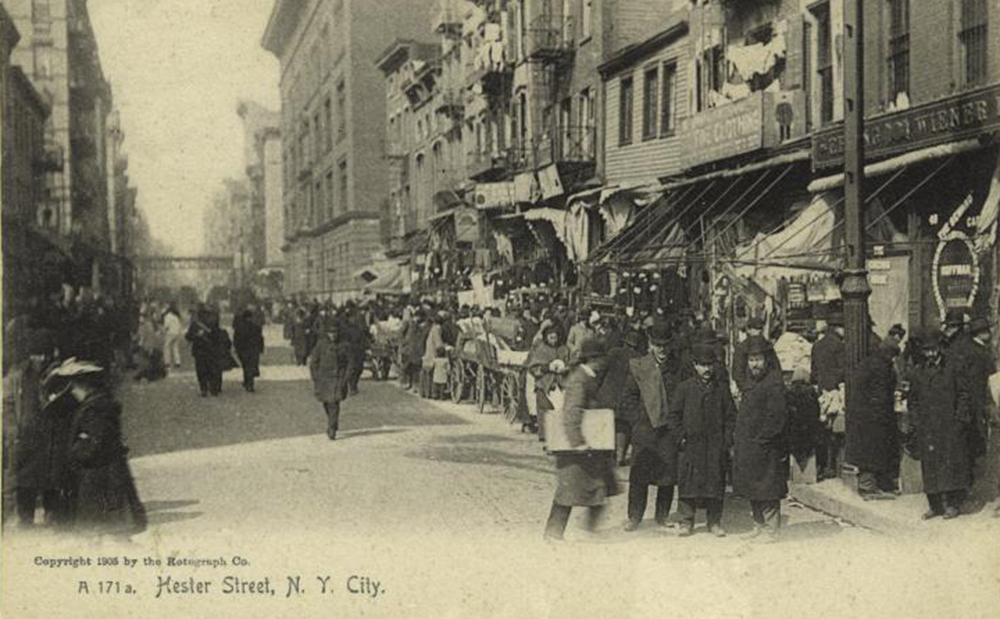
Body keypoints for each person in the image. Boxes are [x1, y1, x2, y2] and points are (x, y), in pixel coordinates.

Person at [41, 358, 147, 536]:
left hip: (101, 480)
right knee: (109, 533)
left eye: (73, 387)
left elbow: (92, 445)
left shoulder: (95, 409)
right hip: (105, 477)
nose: (73, 392)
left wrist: (74, 451)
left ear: (82, 385)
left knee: (105, 533)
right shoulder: (97, 404)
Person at [543, 338, 619, 541]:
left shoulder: (589, 376)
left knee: (598, 488)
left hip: (591, 445)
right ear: (594, 360)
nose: (604, 363)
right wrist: (578, 442)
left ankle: (588, 529)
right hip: (576, 449)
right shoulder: (580, 379)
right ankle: (553, 533)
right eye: (601, 359)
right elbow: (571, 413)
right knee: (569, 492)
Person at [667, 343, 736, 537]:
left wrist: (726, 440)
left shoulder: (721, 390)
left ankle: (714, 522)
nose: (707, 369)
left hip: (715, 446)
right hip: (690, 445)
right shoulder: (685, 388)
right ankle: (686, 521)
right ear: (695, 366)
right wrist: (680, 438)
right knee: (688, 484)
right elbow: (673, 417)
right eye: (702, 365)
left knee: (715, 484)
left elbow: (731, 417)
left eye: (710, 365)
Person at [618, 322, 680, 531]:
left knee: (668, 476)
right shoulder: (640, 366)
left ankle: (662, 516)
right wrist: (638, 419)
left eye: (666, 345)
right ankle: (634, 517)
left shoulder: (678, 367)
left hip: (669, 430)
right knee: (639, 475)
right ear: (651, 345)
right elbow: (628, 398)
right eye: (657, 345)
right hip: (644, 429)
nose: (662, 349)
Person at [908, 328, 971, 520]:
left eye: (933, 350)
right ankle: (934, 505)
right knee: (931, 465)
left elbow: (963, 395)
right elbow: (913, 400)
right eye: (927, 351)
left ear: (940, 349)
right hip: (928, 426)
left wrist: (960, 419)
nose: (930, 354)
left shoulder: (953, 367)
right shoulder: (918, 372)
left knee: (951, 464)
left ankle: (953, 504)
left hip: (949, 424)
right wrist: (917, 421)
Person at [733, 336, 789, 542]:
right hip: (748, 443)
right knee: (751, 486)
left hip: (766, 446)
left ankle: (772, 530)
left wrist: (764, 438)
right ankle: (758, 524)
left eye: (758, 360)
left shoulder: (774, 384)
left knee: (768, 488)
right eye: (751, 360)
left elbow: (778, 417)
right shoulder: (748, 382)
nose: (754, 364)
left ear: (767, 360)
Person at [847, 340, 901, 500]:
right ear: (890, 355)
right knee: (873, 451)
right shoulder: (882, 368)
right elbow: (882, 395)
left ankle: (874, 484)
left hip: (862, 415)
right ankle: (868, 487)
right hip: (874, 417)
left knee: (870, 451)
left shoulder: (868, 362)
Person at [598, 326, 648, 465]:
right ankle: (620, 456)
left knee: (608, 425)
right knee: (623, 426)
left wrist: (595, 389)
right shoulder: (640, 358)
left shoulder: (613, 352)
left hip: (609, 395)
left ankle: (608, 455)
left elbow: (601, 371)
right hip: (628, 398)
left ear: (624, 342)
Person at [955, 318, 995, 471]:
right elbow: (991, 378)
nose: (990, 334)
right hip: (978, 398)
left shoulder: (970, 349)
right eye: (987, 331)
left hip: (973, 398)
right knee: (978, 434)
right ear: (981, 333)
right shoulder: (981, 352)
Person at [811, 313, 847, 479]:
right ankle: (833, 465)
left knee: (822, 429)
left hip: (821, 391)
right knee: (836, 430)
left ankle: (822, 464)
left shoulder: (817, 345)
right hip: (835, 392)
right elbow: (843, 369)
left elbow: (814, 372)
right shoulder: (839, 345)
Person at [524, 323, 570, 439]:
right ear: (546, 337)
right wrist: (547, 368)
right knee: (544, 410)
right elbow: (533, 367)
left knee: (560, 410)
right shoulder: (541, 350)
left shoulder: (564, 349)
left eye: (555, 338)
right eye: (551, 338)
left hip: (560, 383)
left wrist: (565, 369)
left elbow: (570, 363)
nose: (553, 341)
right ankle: (544, 435)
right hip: (544, 384)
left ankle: (558, 435)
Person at [309, 320, 348, 440]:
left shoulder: (344, 345)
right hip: (324, 379)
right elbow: (314, 362)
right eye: (331, 333)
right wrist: (316, 377)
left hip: (338, 378)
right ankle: (333, 422)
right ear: (327, 334)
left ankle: (331, 428)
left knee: (334, 403)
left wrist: (345, 378)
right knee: (326, 403)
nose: (333, 335)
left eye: (335, 332)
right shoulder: (321, 344)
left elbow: (349, 363)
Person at [185, 305, 230, 397]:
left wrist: (197, 336)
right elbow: (218, 337)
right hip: (212, 350)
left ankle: (204, 389)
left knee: (201, 370)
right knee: (212, 369)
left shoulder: (195, 324)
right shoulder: (214, 323)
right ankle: (213, 389)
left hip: (199, 351)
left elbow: (188, 337)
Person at [732, 316, 781, 392]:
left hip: (767, 389)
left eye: (760, 329)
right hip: (749, 388)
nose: (758, 332)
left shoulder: (768, 347)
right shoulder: (741, 348)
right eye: (755, 329)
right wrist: (746, 388)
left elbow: (775, 368)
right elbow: (738, 372)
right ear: (748, 330)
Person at [233, 308, 264, 393]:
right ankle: (250, 384)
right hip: (253, 350)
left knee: (246, 366)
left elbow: (236, 340)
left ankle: (247, 382)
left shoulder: (239, 328)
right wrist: (261, 349)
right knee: (251, 366)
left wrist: (236, 348)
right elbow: (260, 339)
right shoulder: (256, 327)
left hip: (243, 350)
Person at [162, 304, 184, 369]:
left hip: (170, 333)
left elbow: (166, 326)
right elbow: (180, 326)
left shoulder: (167, 316)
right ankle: (177, 362)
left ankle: (167, 362)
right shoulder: (176, 316)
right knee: (175, 347)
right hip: (177, 333)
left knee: (166, 347)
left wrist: (163, 331)